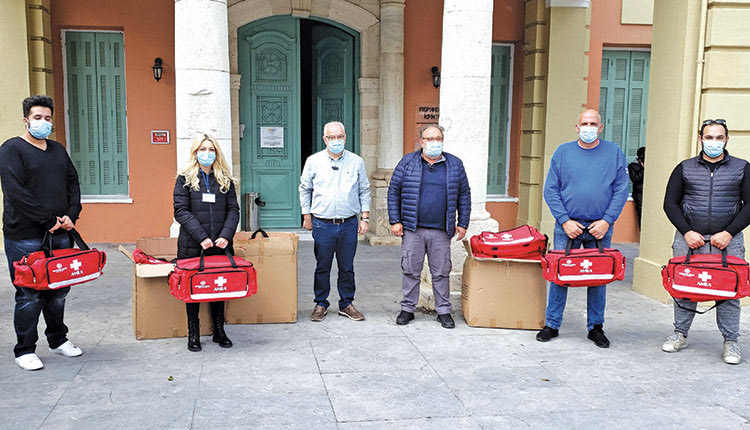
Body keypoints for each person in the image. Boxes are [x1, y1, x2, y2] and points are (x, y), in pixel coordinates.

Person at [0, 95, 83, 371]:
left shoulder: (58, 150)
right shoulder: (12, 150)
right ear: (26, 120)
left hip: (60, 233)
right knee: (29, 294)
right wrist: (47, 220)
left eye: (48, 118)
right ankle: (24, 349)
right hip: (24, 235)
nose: (43, 123)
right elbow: (16, 193)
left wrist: (72, 214)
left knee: (59, 290)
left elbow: (73, 182)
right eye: (37, 118)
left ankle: (58, 339)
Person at [537, 109, 629, 347]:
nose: (589, 127)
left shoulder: (614, 153)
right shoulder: (563, 152)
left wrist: (607, 220)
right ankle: (552, 324)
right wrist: (565, 220)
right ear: (576, 127)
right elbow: (551, 190)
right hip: (568, 227)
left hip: (600, 227)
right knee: (559, 276)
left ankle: (596, 327)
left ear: (601, 128)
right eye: (584, 123)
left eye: (593, 124)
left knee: (598, 277)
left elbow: (620, 190)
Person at [661, 119, 749, 365]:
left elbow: (749, 205)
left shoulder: (742, 168)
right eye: (709, 137)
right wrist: (687, 231)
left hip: (728, 241)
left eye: (719, 138)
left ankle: (731, 342)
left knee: (729, 290)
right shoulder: (685, 168)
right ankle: (680, 333)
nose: (714, 142)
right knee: (684, 287)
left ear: (727, 140)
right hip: (690, 239)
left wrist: (729, 232)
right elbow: (670, 203)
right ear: (700, 139)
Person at [387, 124, 471, 329]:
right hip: (412, 229)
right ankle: (408, 308)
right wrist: (395, 220)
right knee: (410, 270)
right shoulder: (408, 163)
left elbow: (464, 195)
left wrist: (463, 223)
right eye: (430, 139)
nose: (435, 143)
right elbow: (393, 192)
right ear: (422, 142)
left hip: (441, 230)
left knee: (441, 271)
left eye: (438, 139)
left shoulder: (455, 164)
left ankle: (443, 310)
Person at [174, 133, 239, 352]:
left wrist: (225, 236)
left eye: (211, 150)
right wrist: (202, 237)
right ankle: (194, 333)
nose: (207, 154)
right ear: (195, 153)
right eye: (202, 149)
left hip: (220, 244)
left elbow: (233, 210)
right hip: (193, 244)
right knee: (193, 289)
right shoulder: (184, 178)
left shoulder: (224, 179)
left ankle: (219, 330)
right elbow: (181, 211)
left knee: (218, 286)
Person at [299, 121, 370, 322]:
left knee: (347, 266)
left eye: (340, 136)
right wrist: (307, 215)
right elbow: (305, 189)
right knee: (323, 265)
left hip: (348, 223)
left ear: (345, 137)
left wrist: (364, 217)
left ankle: (346, 303)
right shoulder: (314, 161)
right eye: (332, 137)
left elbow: (364, 189)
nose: (336, 141)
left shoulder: (356, 162)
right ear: (325, 139)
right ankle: (321, 303)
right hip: (322, 223)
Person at [629, 147, 645, 228]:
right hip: (639, 193)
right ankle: (641, 231)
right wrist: (643, 169)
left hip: (648, 192)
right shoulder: (632, 166)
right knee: (641, 212)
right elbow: (635, 179)